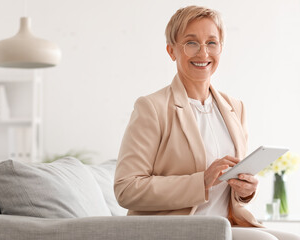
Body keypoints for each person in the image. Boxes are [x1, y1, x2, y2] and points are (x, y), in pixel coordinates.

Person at [114, 5, 300, 240]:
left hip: (226, 225)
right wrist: (200, 181)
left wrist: (246, 191)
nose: (203, 53)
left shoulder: (236, 107)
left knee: (292, 238)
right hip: (179, 228)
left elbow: (230, 192)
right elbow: (126, 189)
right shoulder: (152, 107)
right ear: (172, 51)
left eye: (212, 43)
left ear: (221, 48)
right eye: (191, 43)